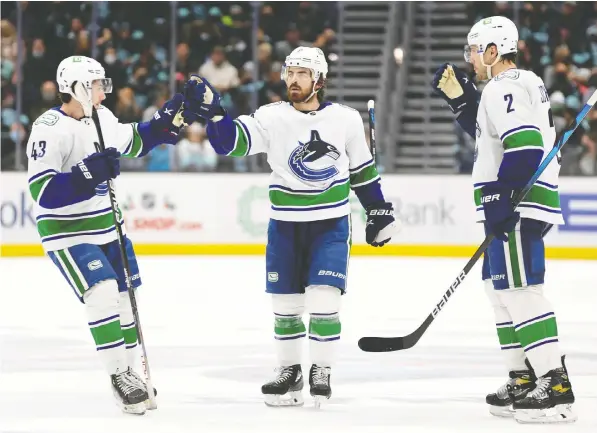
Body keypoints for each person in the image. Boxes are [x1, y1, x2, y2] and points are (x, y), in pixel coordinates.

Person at [183, 47, 398, 408]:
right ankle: (289, 371)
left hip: (329, 224)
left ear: (320, 80)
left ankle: (321, 369)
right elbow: (229, 143)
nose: (294, 80)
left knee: (324, 299)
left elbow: (362, 171)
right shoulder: (271, 116)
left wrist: (378, 209)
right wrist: (216, 113)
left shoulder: (344, 120)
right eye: (290, 73)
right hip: (284, 226)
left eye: (302, 73)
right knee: (285, 307)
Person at [25, 55, 195, 415]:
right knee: (102, 294)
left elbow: (135, 140)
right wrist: (85, 175)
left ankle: (131, 372)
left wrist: (166, 120)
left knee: (125, 301)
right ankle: (119, 375)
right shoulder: (49, 127)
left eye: (103, 84)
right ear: (73, 88)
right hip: (68, 233)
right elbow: (43, 192)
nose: (102, 92)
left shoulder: (103, 118)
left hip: (108, 226)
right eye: (95, 85)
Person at [431, 17, 576, 424]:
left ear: (493, 51)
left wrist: (501, 196)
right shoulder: (508, 87)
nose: (471, 60)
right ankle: (523, 377)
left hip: (519, 201)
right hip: (518, 199)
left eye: (474, 51)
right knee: (501, 292)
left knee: (519, 291)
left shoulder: (505, 85)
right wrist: (462, 103)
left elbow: (525, 145)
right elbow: (492, 136)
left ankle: (554, 383)